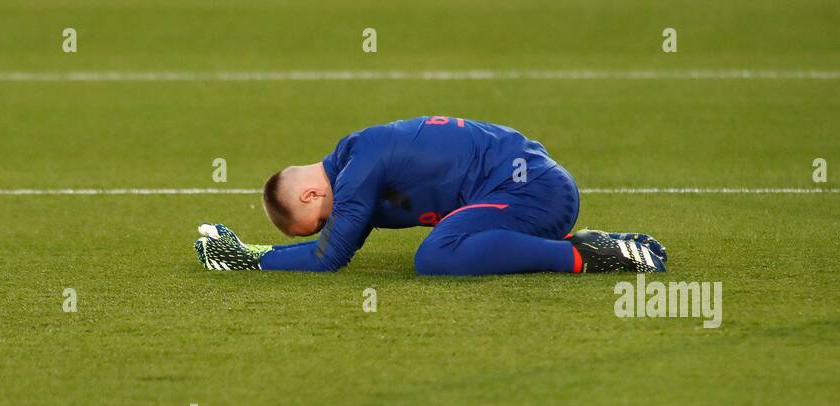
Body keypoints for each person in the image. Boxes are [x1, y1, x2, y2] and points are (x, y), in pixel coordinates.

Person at [194, 115, 667, 275]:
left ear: (313, 192)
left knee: (436, 255)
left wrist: (250, 259)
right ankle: (594, 247)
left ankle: (586, 255)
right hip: (530, 188)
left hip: (531, 192)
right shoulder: (357, 159)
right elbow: (332, 246)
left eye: (318, 219)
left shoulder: (359, 171)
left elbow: (327, 257)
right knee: (440, 251)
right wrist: (256, 252)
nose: (328, 227)